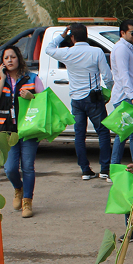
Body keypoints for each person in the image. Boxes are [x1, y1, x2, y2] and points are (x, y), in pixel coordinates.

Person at [45, 23, 112, 180]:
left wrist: (61, 36)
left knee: (80, 135)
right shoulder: (96, 52)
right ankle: (105, 169)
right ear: (87, 36)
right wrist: (110, 89)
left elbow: (49, 48)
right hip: (94, 97)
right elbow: (107, 76)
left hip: (76, 99)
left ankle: (85, 170)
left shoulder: (67, 52)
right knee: (102, 132)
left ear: (72, 37)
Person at [0, 44, 44, 218]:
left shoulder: (32, 78)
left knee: (27, 166)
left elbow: (45, 102)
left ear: (19, 58)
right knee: (10, 168)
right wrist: (2, 79)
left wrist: (32, 97)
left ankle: (27, 200)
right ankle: (18, 188)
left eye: (12, 57)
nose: (10, 60)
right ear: (2, 62)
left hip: (28, 129)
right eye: (6, 58)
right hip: (7, 131)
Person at [109, 19, 133, 166]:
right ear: (123, 33)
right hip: (126, 98)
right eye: (132, 33)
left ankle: (116, 166)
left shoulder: (126, 47)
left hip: (126, 97)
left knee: (124, 134)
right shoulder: (122, 49)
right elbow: (124, 75)